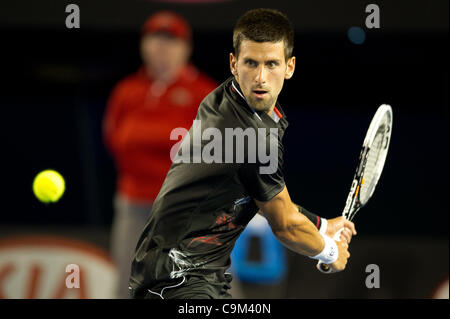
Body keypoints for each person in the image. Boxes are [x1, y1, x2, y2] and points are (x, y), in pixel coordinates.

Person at [128, 8, 357, 299]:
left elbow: (270, 199)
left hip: (190, 274)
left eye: (272, 64)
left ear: (290, 67)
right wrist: (330, 251)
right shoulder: (251, 135)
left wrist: (322, 225)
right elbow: (284, 223)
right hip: (178, 280)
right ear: (234, 64)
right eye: (251, 63)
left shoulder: (226, 99)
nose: (261, 78)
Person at [103, 11, 217, 299]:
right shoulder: (127, 90)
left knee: (206, 284)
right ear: (143, 45)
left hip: (188, 208)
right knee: (127, 285)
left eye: (171, 40)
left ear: (186, 48)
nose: (162, 47)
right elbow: (113, 139)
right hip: (134, 204)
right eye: (155, 39)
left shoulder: (205, 93)